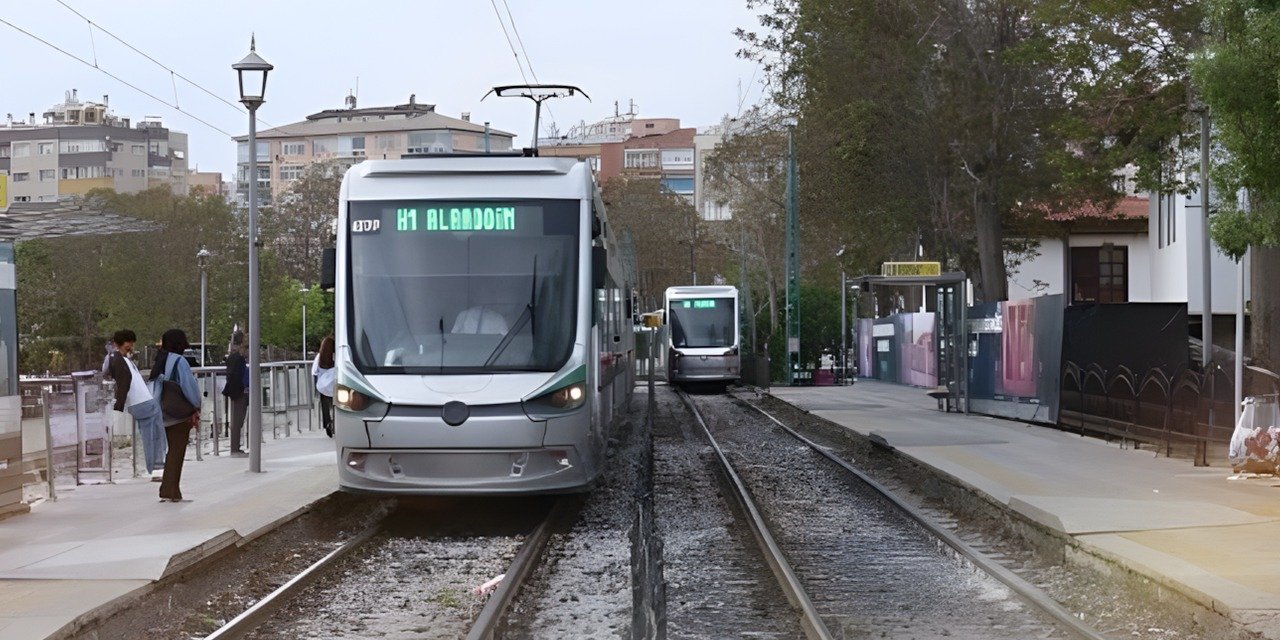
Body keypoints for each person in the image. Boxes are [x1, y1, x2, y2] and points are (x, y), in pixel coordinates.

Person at [105, 330, 166, 481]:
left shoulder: (122, 359)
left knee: (151, 436)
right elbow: (124, 383)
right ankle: (157, 468)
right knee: (155, 437)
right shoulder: (120, 360)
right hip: (144, 403)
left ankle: (155, 468)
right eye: (128, 343)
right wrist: (118, 406)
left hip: (141, 403)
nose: (131, 346)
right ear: (118, 344)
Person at [149, 329, 201, 502]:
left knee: (172, 450)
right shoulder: (179, 362)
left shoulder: (160, 360)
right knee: (177, 451)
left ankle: (170, 489)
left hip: (162, 412)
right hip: (178, 413)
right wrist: (196, 405)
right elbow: (189, 387)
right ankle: (169, 489)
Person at [222, 330, 249, 456]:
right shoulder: (238, 359)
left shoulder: (233, 358)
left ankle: (236, 446)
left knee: (237, 419)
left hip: (236, 391)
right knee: (238, 419)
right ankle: (235, 448)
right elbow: (237, 376)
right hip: (239, 391)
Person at [313, 335, 336, 437]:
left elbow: (315, 371)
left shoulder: (320, 356)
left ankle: (328, 424)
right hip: (332, 381)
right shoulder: (335, 354)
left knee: (325, 404)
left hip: (322, 382)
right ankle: (333, 423)